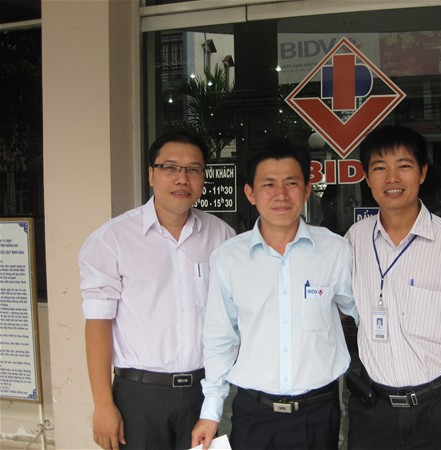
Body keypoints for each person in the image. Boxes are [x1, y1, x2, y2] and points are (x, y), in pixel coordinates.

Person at [191, 136, 358, 450]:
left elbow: (361, 311)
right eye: (268, 184)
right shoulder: (229, 258)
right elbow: (219, 338)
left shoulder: (335, 250)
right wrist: (210, 411)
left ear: (307, 191)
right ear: (250, 193)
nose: (281, 194)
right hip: (254, 414)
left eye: (291, 183)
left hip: (318, 413)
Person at [344, 125, 441, 450]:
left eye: (404, 166)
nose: (392, 178)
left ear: (422, 172)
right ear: (367, 177)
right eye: (380, 168)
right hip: (372, 412)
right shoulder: (354, 241)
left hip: (438, 411)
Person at [80, 131, 235, 450]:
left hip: (205, 396)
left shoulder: (222, 237)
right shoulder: (112, 240)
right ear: (151, 174)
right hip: (139, 398)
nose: (182, 178)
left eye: (193, 169)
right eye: (170, 167)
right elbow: (98, 323)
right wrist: (103, 404)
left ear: (203, 177)